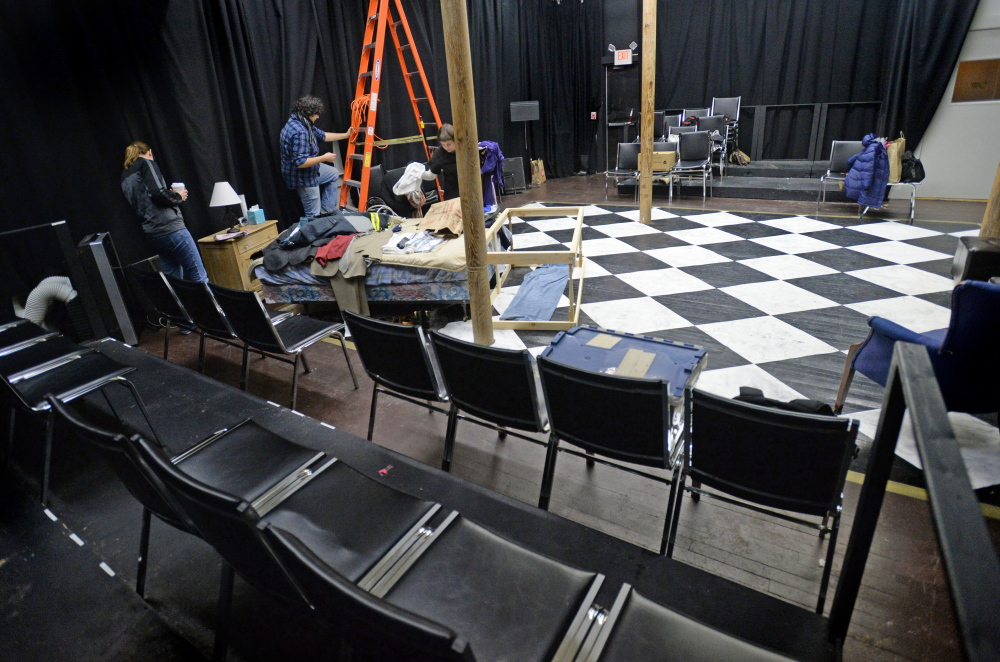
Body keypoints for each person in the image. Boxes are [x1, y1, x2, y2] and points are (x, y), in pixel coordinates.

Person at [121, 141, 208, 282]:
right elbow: (157, 193)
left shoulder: (125, 176)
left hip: (154, 234)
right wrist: (178, 196)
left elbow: (146, 199)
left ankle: (180, 305)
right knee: (198, 276)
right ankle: (211, 304)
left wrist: (168, 195)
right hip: (171, 228)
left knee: (174, 280)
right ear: (149, 152)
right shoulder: (146, 163)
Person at [280, 95, 354, 217]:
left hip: (309, 170)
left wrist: (346, 135)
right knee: (313, 215)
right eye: (316, 114)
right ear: (309, 113)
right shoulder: (300, 132)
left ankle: (327, 214)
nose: (318, 116)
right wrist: (324, 158)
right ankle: (318, 227)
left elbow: (323, 135)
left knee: (333, 173)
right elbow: (300, 162)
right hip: (302, 177)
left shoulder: (300, 121)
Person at [423, 123, 459, 200]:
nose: (446, 147)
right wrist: (418, 174)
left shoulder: (466, 148)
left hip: (471, 190)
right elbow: (432, 175)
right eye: (443, 144)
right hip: (452, 193)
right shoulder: (439, 153)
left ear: (455, 140)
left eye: (449, 144)